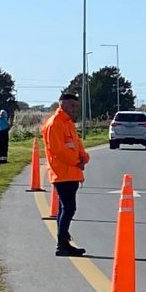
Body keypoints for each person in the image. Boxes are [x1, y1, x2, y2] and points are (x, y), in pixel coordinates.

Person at [40, 88, 89, 255]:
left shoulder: (68, 123)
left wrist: (84, 158)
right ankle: (62, 244)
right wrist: (77, 161)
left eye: (76, 106)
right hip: (61, 173)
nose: (75, 109)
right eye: (72, 105)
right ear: (62, 104)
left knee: (65, 208)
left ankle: (63, 242)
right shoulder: (54, 124)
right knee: (69, 208)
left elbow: (77, 145)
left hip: (72, 172)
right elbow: (58, 151)